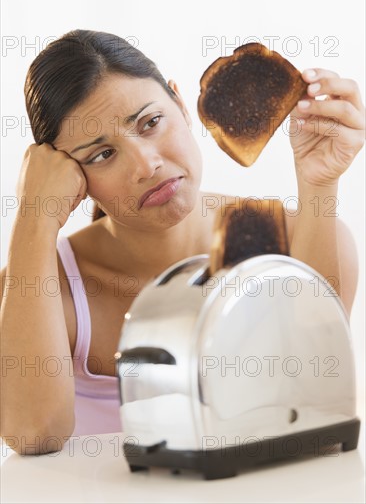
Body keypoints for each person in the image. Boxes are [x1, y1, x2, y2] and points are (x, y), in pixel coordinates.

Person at [0, 30, 364, 455]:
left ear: (179, 102)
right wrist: (33, 216)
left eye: (151, 122)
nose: (146, 164)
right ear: (70, 177)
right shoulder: (41, 285)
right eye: (102, 155)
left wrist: (319, 185)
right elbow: (33, 433)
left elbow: (316, 407)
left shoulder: (296, 239)